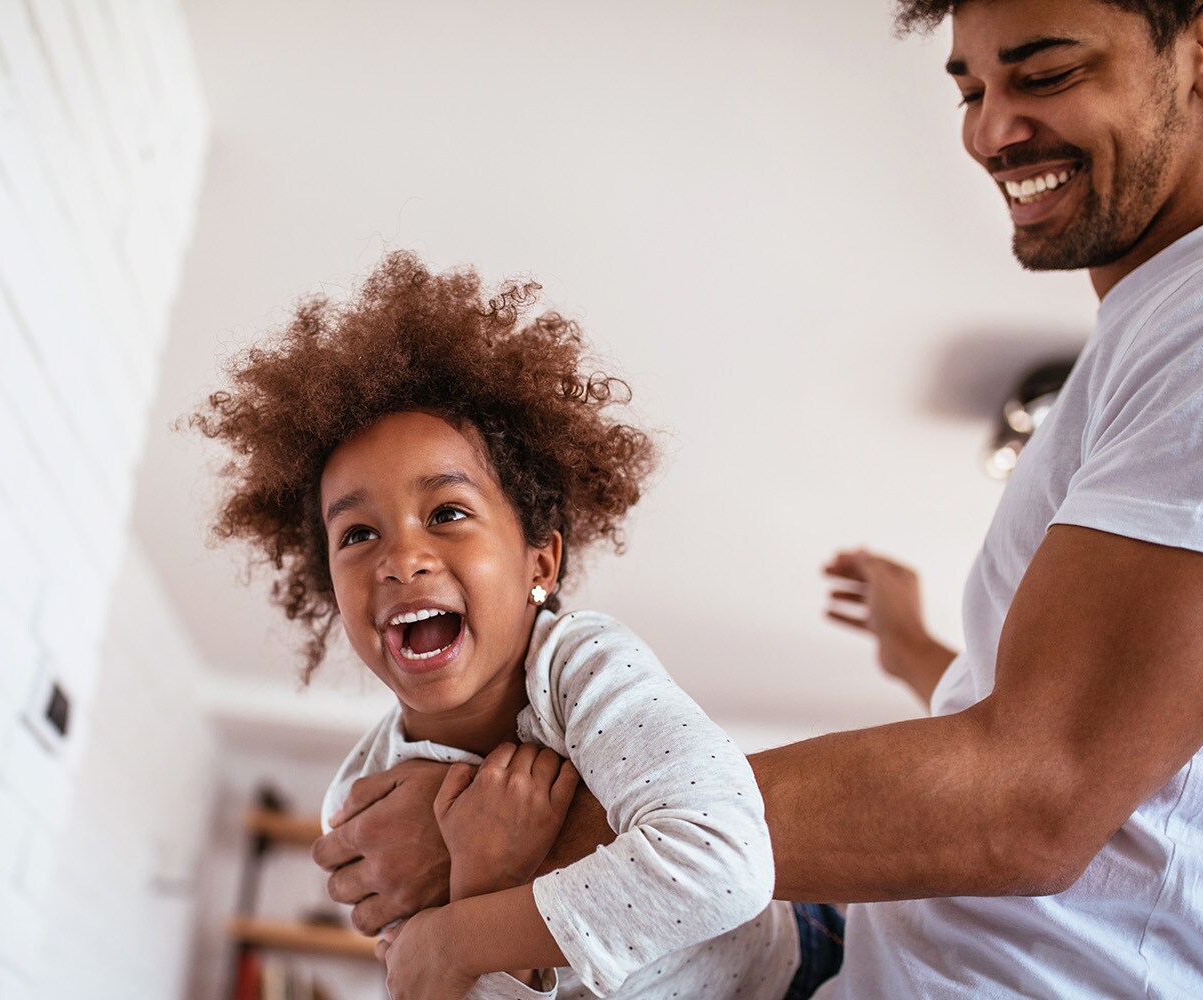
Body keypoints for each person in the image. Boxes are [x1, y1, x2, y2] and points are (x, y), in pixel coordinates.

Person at [314, 0, 1203, 995]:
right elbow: (1123, 739)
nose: (990, 130)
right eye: (970, 87)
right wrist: (916, 649)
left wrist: (493, 833)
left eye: (1043, 75)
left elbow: (1039, 794)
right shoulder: (1180, 323)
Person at [192, 253, 843, 999]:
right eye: (357, 535)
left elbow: (725, 862)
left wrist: (464, 931)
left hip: (805, 974)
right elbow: (426, 984)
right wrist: (481, 879)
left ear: (541, 563)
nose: (402, 558)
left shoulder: (580, 668)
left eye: (447, 513)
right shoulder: (362, 798)